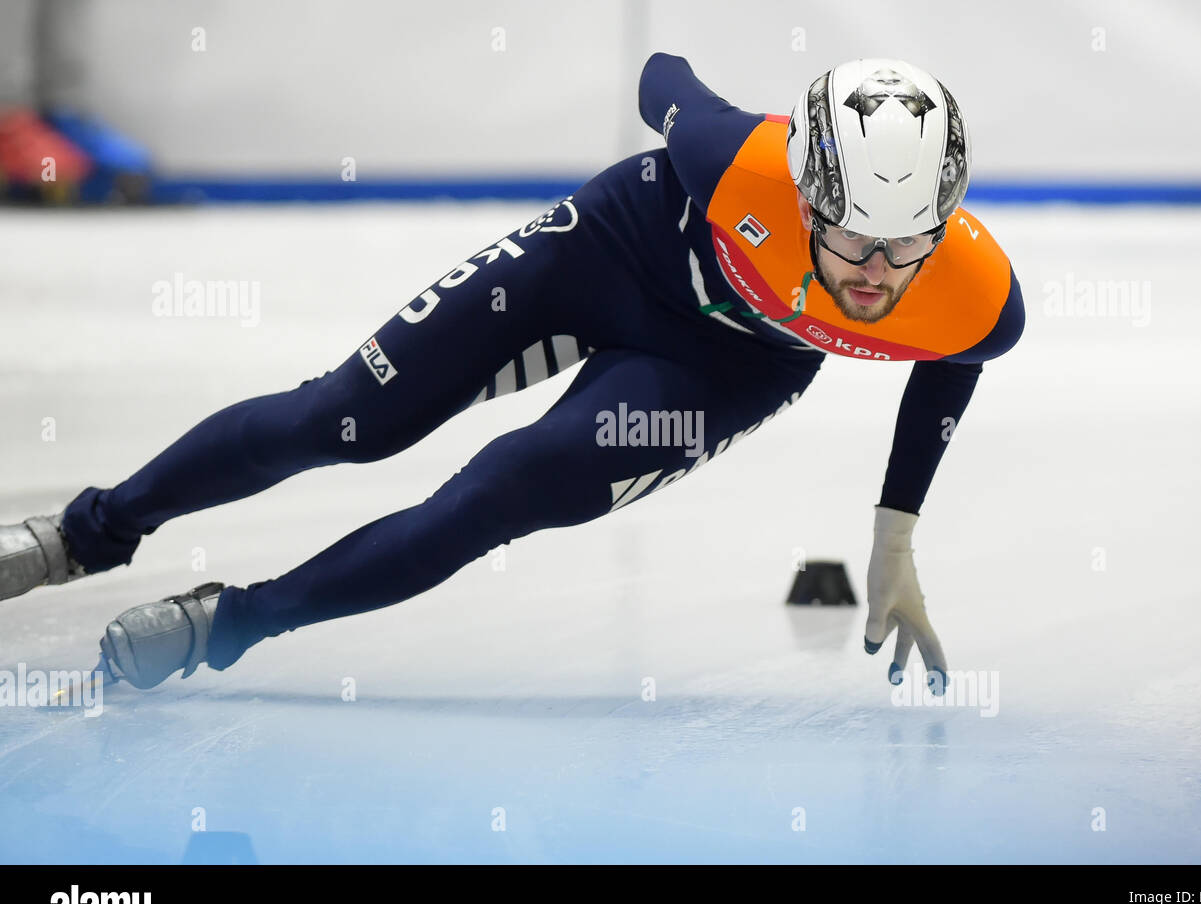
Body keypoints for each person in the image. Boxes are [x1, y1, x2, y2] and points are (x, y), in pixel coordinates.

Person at [0, 53, 1023, 694]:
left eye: (908, 246)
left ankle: (230, 623)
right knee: (345, 417)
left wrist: (895, 539)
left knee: (502, 491)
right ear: (803, 193)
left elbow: (949, 361)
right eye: (852, 243)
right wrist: (715, 121)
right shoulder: (734, 158)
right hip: (609, 250)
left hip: (720, 368)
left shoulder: (972, 292)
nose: (877, 279)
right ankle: (83, 534)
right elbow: (661, 74)